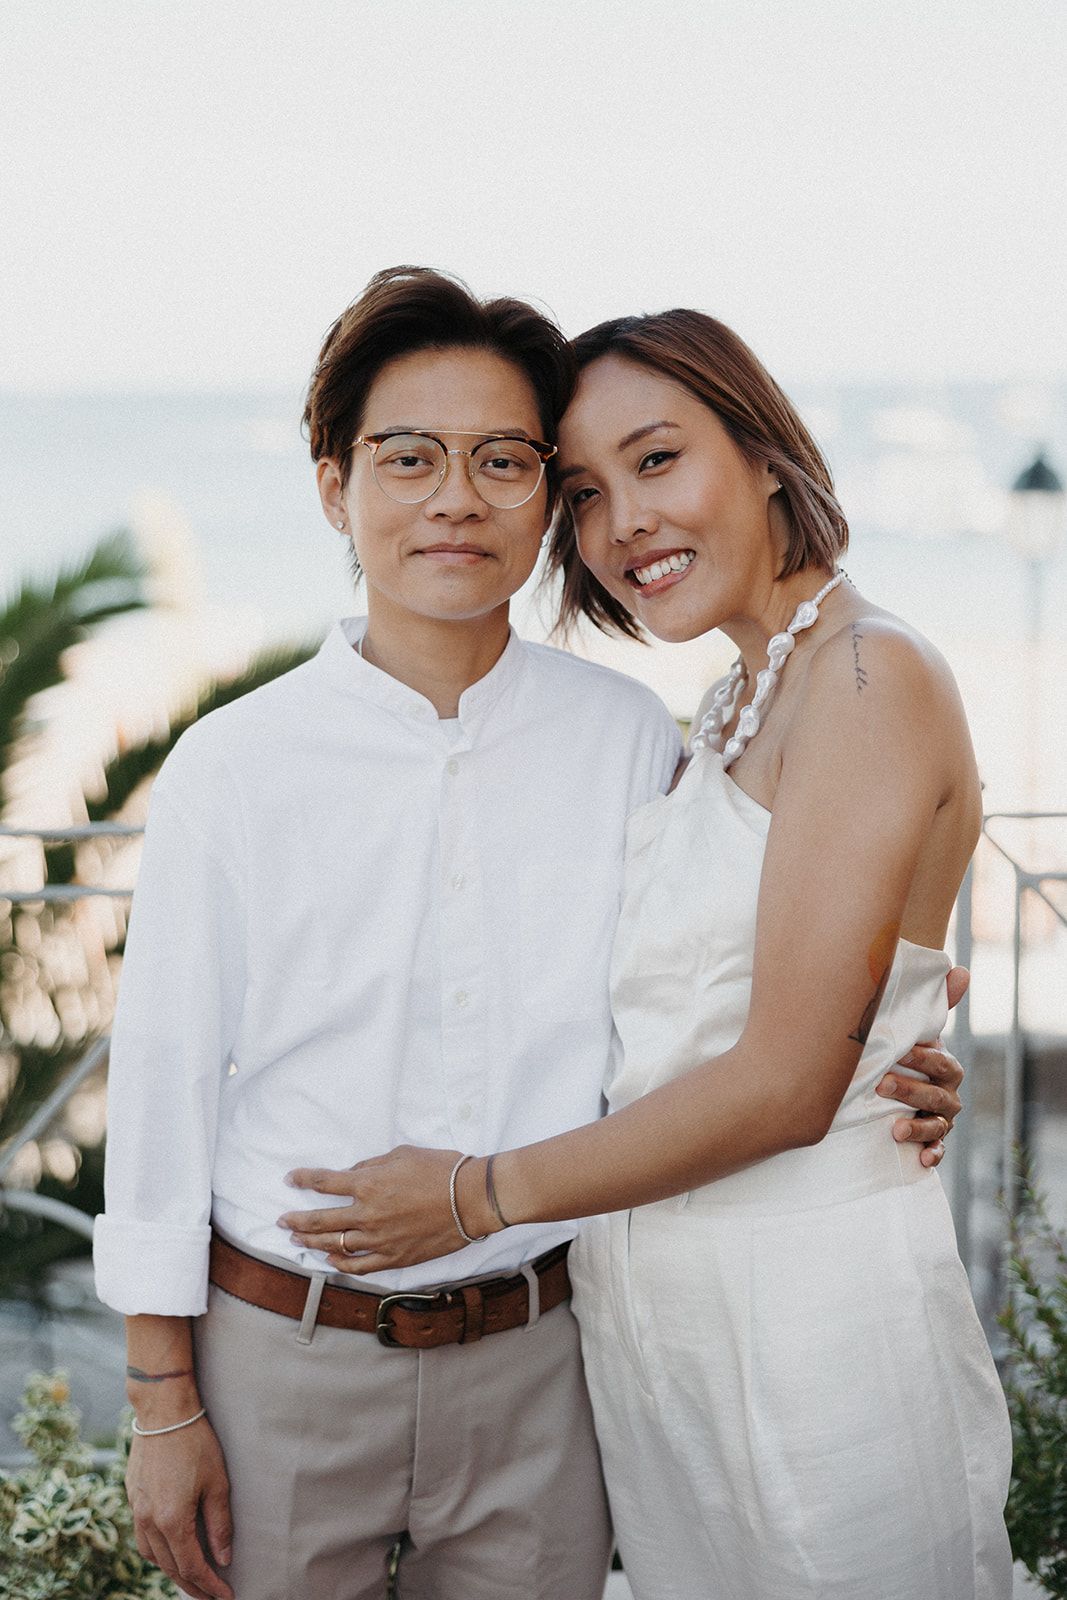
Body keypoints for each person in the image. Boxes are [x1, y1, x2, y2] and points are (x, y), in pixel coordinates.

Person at [95, 268, 966, 1600]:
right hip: (292, 1350)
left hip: (553, 1353)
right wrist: (164, 1400)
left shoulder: (629, 735)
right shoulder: (233, 764)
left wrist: (894, 1026)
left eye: (507, 464)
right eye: (410, 460)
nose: (457, 498)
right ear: (338, 489)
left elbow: (760, 980)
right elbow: (157, 1090)